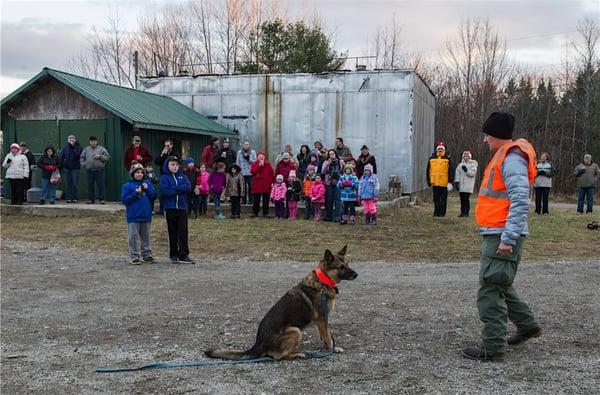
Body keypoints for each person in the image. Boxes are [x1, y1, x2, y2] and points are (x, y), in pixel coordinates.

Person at [462, 111, 542, 361]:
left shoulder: (511, 159)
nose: (485, 140)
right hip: (498, 232)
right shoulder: (506, 157)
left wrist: (508, 238)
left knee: (490, 289)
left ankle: (493, 347)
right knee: (500, 283)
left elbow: (520, 200)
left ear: (496, 135)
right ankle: (528, 325)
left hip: (502, 235)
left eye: (487, 135)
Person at [159, 156, 194, 264]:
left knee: (183, 231)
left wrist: (174, 189)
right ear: (167, 165)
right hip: (170, 208)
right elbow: (165, 192)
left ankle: (183, 254)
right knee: (172, 231)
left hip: (182, 207)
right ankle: (173, 254)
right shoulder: (164, 178)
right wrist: (179, 190)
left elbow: (187, 187)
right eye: (172, 165)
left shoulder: (183, 177)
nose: (174, 167)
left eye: (176, 165)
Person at [121, 163, 157, 265]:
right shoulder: (127, 186)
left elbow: (154, 196)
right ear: (133, 174)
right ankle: (134, 255)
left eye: (141, 172)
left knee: (146, 236)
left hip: (146, 215)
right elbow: (125, 200)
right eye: (137, 172)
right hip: (133, 216)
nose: (140, 174)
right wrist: (135, 193)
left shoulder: (147, 183)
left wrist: (147, 189)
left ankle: (147, 255)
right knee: (133, 236)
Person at [426, 141, 453, 217]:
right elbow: (428, 170)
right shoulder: (431, 158)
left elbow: (451, 170)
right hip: (435, 182)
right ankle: (436, 212)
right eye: (439, 149)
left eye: (442, 149)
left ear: (444, 150)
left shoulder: (448, 159)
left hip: (444, 183)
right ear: (436, 150)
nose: (440, 150)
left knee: (443, 199)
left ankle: (442, 213)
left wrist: (450, 180)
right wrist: (428, 181)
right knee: (436, 198)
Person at [80, 136, 110, 204]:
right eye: (91, 141)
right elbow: (82, 158)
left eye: (94, 141)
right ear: (89, 142)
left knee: (100, 186)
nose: (93, 142)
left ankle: (101, 199)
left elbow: (107, 158)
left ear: (96, 142)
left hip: (99, 170)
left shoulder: (101, 149)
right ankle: (91, 200)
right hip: (89, 171)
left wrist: (99, 156)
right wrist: (85, 164)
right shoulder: (86, 149)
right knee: (90, 186)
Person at [154, 139, 180, 214]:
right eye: (165, 145)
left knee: (171, 192)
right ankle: (161, 209)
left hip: (172, 176)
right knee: (162, 192)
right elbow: (157, 162)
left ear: (172, 145)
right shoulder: (163, 153)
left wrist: (165, 155)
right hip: (163, 175)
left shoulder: (175, 154)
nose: (166, 147)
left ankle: (171, 208)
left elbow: (170, 161)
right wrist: (162, 154)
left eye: (168, 145)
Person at [454, 150, 478, 217]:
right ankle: (462, 213)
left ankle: (466, 213)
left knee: (466, 199)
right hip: (461, 185)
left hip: (468, 185)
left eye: (467, 156)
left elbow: (473, 173)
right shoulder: (460, 165)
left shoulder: (473, 164)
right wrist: (456, 182)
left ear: (470, 156)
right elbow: (457, 173)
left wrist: (466, 170)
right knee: (462, 199)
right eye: (464, 156)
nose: (466, 157)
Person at [250, 152, 275, 218]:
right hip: (257, 184)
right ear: (257, 157)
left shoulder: (268, 164)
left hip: (266, 184)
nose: (261, 158)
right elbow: (252, 171)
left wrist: (271, 182)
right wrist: (259, 165)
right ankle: (255, 212)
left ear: (264, 157)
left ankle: (265, 213)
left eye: (262, 156)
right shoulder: (255, 164)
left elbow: (272, 174)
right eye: (259, 157)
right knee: (256, 200)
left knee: (266, 200)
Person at [321, 149, 343, 222]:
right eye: (330, 154)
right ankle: (328, 216)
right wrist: (328, 164)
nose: (331, 155)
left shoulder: (340, 161)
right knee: (329, 200)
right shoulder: (326, 162)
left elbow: (343, 171)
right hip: (329, 182)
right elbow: (323, 172)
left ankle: (337, 216)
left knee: (338, 200)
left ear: (335, 154)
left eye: (333, 153)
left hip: (338, 182)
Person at [60, 134, 83, 203]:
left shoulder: (78, 147)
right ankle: (69, 198)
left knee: (75, 183)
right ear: (67, 140)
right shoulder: (65, 147)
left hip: (75, 168)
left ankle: (75, 197)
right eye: (69, 139)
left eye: (72, 139)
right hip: (67, 168)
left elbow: (78, 155)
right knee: (68, 183)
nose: (71, 141)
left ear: (75, 140)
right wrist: (62, 165)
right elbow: (62, 156)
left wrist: (73, 147)